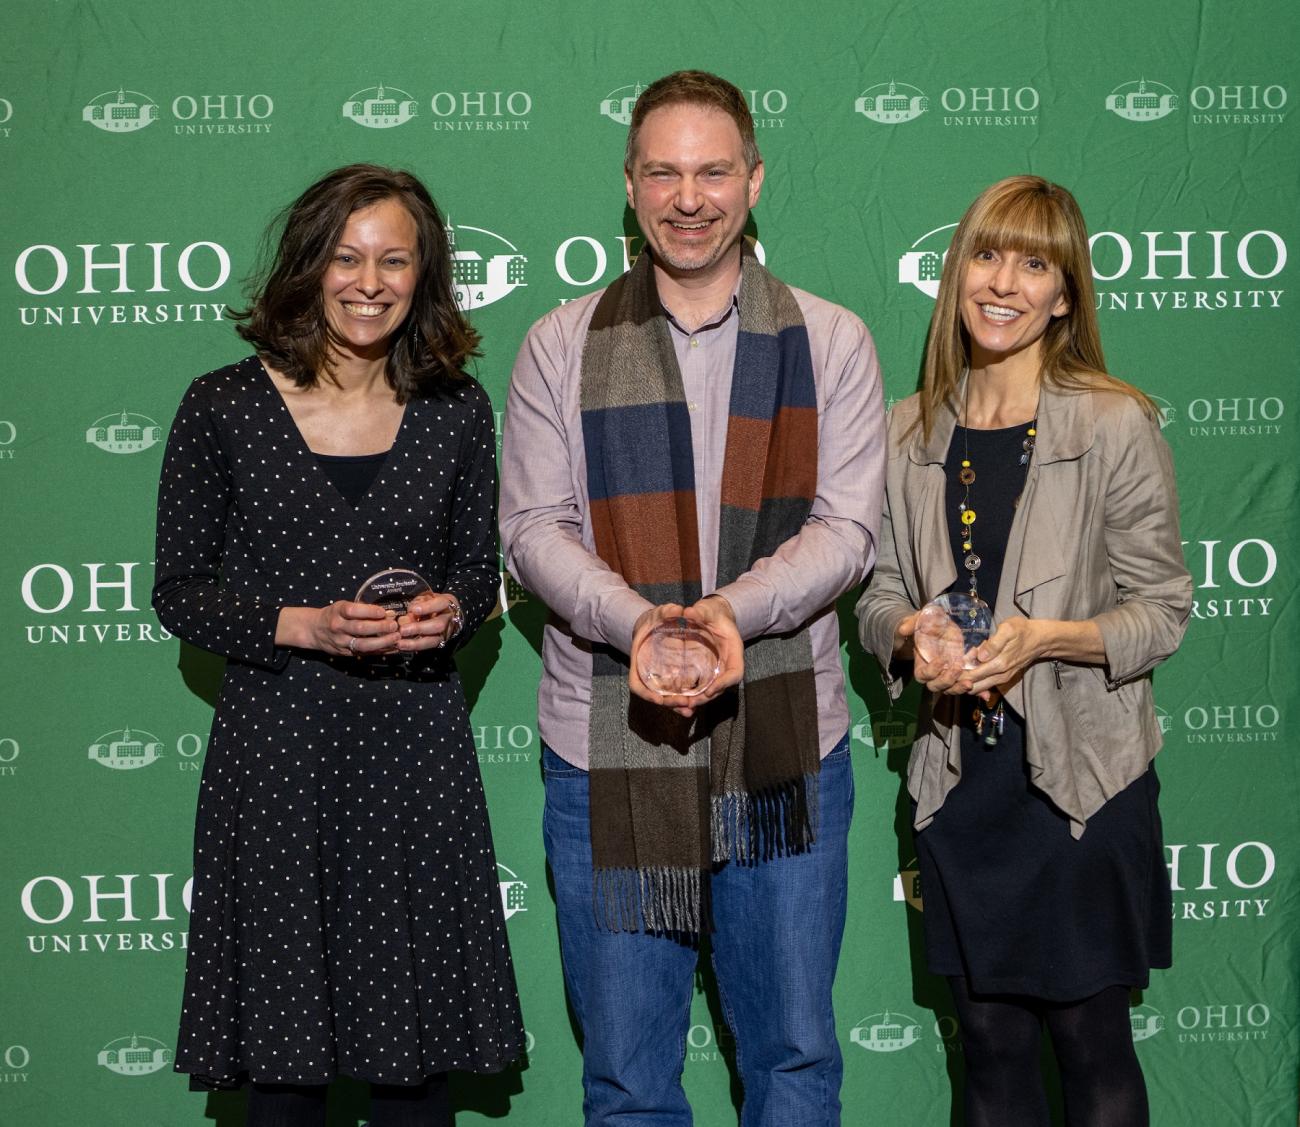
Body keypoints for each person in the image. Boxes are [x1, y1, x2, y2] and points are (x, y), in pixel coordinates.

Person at [500, 71, 884, 1126]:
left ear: (753, 180)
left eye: (713, 169)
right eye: (662, 171)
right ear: (628, 187)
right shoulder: (559, 342)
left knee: (794, 1056)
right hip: (604, 747)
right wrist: (642, 626)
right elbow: (532, 529)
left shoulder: (833, 339)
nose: (688, 195)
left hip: (786, 743)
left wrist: (726, 614)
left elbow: (847, 528)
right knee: (626, 1075)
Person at [153, 164, 524, 1127]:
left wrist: (453, 611)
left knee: (418, 1078)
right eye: (348, 257)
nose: (370, 281)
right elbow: (179, 590)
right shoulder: (223, 405)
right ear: (309, 266)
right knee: (284, 1076)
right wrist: (300, 626)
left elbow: (479, 577)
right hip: (280, 759)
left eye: (394, 259)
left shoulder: (457, 410)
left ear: (424, 274)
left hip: (415, 759)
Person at [856, 175, 1191, 1127]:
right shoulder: (908, 426)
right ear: (958, 270)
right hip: (960, 783)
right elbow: (877, 594)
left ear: (1066, 293)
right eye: (987, 255)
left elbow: (1163, 609)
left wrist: (1050, 639)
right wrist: (908, 632)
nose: (1003, 283)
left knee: (1092, 1044)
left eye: (1034, 263)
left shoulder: (1114, 421)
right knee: (992, 1050)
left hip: (1083, 784)